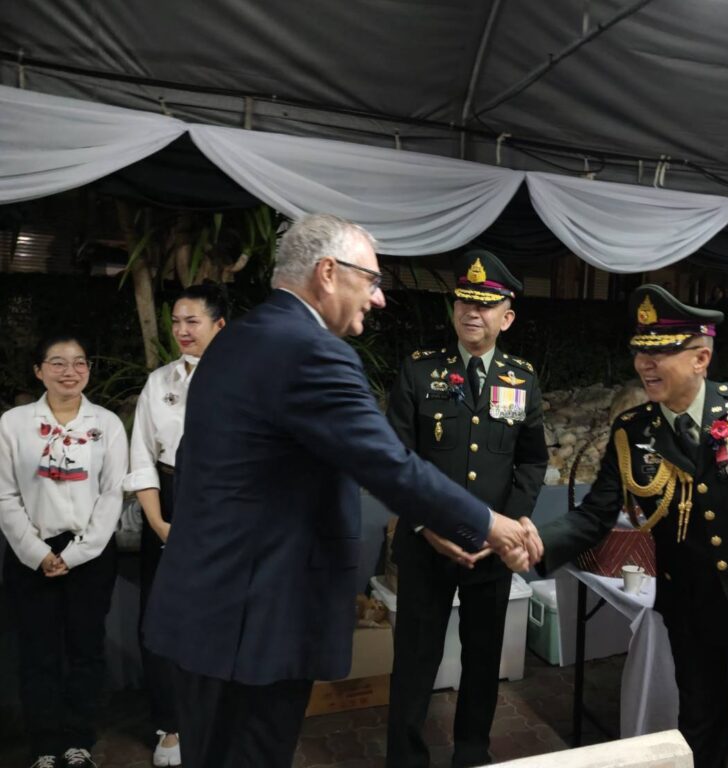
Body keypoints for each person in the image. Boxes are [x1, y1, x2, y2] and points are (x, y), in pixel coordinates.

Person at [141, 213, 530, 768]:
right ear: (328, 272)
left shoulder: (236, 340)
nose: (379, 298)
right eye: (371, 280)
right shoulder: (311, 350)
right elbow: (389, 463)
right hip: (254, 624)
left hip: (208, 610)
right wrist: (492, 525)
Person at [519, 284, 728, 768]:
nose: (645, 365)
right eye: (640, 353)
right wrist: (538, 542)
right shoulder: (632, 432)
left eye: (661, 352)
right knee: (700, 721)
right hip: (691, 595)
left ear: (700, 358)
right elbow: (596, 514)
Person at [385, 249, 548, 768]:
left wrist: (508, 528)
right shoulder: (419, 371)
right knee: (414, 662)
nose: (472, 311)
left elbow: (532, 461)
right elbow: (396, 458)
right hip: (425, 547)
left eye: (485, 303)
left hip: (491, 553)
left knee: (482, 662)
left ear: (507, 317)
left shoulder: (522, 379)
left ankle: (472, 754)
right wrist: (424, 524)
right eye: (464, 300)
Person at [0, 334, 129, 768]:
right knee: (37, 653)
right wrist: (36, 552)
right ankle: (43, 746)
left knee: (85, 650)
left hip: (89, 554)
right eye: (57, 362)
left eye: (79, 362)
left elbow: (112, 494)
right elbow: (4, 494)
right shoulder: (14, 423)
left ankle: (78, 742)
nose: (69, 371)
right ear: (39, 371)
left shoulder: (107, 424)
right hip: (29, 552)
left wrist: (75, 554)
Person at [124, 283, 228, 767]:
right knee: (163, 617)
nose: (182, 331)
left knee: (221, 614)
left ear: (219, 325)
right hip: (166, 501)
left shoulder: (242, 380)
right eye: (175, 322)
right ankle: (171, 724)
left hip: (225, 504)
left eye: (192, 321)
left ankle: (219, 717)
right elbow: (141, 456)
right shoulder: (158, 382)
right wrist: (159, 523)